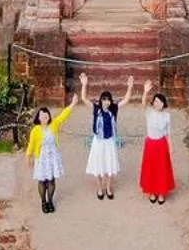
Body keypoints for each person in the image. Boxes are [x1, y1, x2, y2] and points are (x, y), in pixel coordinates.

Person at [26, 94, 77, 213]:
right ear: (38, 118)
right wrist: (28, 156)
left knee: (52, 180)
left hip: (53, 157)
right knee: (42, 180)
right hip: (42, 157)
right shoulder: (36, 130)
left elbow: (63, 115)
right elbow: (31, 144)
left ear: (49, 116)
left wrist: (73, 104)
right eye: (42, 116)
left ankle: (50, 200)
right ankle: (43, 202)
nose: (44, 117)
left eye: (46, 115)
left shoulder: (54, 125)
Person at [83, 72, 122, 200]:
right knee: (98, 164)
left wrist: (131, 87)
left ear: (110, 101)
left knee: (110, 164)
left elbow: (126, 101)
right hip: (98, 141)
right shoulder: (96, 109)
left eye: (108, 99)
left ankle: (109, 187)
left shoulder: (113, 110)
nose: (106, 102)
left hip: (109, 141)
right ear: (101, 100)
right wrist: (84, 84)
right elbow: (84, 99)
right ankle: (100, 187)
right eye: (104, 99)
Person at [138, 78, 176, 204]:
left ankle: (161, 192)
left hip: (161, 144)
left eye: (160, 102)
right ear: (153, 103)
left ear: (164, 104)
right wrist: (145, 92)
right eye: (156, 101)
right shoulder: (149, 113)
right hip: (150, 144)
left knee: (161, 169)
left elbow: (168, 133)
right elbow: (143, 103)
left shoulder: (167, 116)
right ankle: (152, 191)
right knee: (151, 168)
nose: (158, 104)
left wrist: (170, 147)